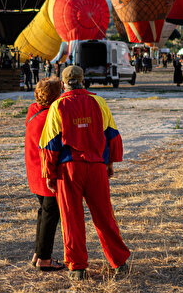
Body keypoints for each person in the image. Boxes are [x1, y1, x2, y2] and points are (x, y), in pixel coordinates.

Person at [40, 66, 131, 280]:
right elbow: (112, 136)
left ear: (63, 84)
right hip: (96, 166)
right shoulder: (99, 102)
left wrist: (50, 175)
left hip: (69, 169)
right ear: (83, 81)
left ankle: (77, 267)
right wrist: (109, 164)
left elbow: (50, 145)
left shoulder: (57, 106)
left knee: (71, 218)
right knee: (104, 216)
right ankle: (118, 261)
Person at [24, 77, 64, 271]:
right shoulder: (51, 118)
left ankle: (37, 254)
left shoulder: (33, 110)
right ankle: (45, 260)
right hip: (45, 174)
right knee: (50, 215)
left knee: (43, 213)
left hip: (33, 171)